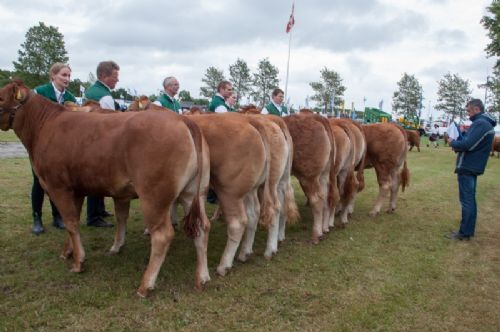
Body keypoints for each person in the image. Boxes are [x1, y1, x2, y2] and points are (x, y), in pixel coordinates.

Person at [30, 63, 77, 235]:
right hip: (40, 145)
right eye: (64, 75)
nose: (67, 79)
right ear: (53, 76)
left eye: (69, 76)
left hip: (60, 147)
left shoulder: (70, 97)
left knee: (56, 182)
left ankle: (57, 216)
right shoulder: (39, 93)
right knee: (38, 181)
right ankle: (37, 218)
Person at [445, 99, 496, 241]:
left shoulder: (480, 124)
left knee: (467, 200)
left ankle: (464, 233)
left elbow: (467, 145)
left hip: (468, 166)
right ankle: (468, 229)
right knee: (470, 199)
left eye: (468, 110)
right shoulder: (484, 124)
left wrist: (453, 142)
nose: (467, 114)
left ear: (476, 109)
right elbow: (472, 143)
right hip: (473, 166)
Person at [84, 61, 121, 227]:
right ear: (103, 76)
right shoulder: (104, 95)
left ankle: (99, 210)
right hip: (100, 141)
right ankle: (94, 216)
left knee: (94, 176)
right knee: (96, 178)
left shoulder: (91, 91)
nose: (117, 81)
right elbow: (111, 120)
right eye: (114, 77)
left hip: (89, 139)